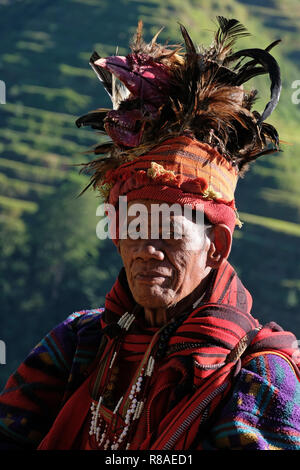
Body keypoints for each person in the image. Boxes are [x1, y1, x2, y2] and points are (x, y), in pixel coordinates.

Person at [1, 17, 300, 451]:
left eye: (169, 233)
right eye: (134, 225)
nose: (147, 249)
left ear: (215, 247)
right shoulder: (78, 345)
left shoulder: (260, 379)